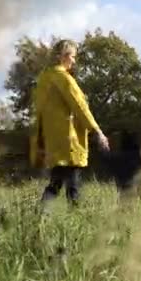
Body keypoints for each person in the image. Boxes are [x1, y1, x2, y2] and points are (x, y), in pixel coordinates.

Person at [29, 39, 110, 208]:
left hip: (54, 141)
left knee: (56, 182)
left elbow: (39, 110)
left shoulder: (44, 78)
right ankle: (77, 223)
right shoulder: (64, 79)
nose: (74, 60)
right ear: (64, 57)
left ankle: (39, 219)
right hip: (69, 139)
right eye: (73, 56)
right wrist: (97, 131)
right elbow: (80, 107)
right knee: (73, 186)